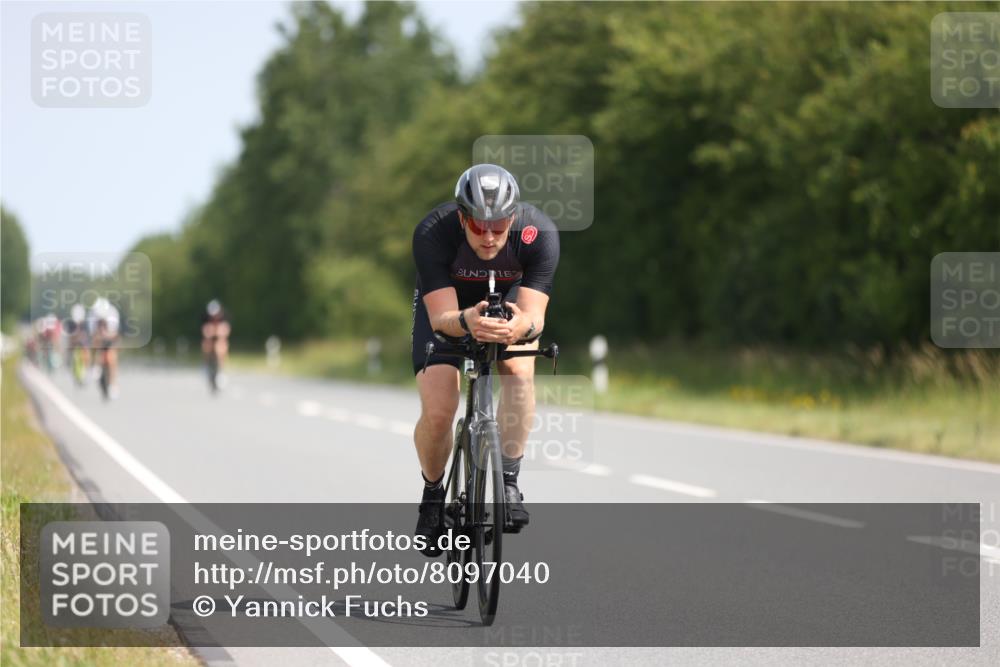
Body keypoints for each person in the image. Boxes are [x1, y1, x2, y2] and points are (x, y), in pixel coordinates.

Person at [411, 163, 559, 556]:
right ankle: (432, 495)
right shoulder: (433, 232)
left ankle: (508, 479)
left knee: (520, 373)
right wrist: (466, 321)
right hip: (450, 306)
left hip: (507, 303)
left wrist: (518, 329)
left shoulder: (538, 234)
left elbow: (534, 316)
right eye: (478, 227)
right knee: (440, 409)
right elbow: (441, 318)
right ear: (462, 218)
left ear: (513, 217)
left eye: (499, 226)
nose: (490, 237)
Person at [87, 297, 121, 398]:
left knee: (111, 358)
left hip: (110, 337)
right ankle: (95, 365)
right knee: (95, 344)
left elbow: (115, 335)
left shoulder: (113, 315)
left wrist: (106, 335)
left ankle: (113, 385)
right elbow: (92, 336)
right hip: (98, 339)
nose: (101, 321)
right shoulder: (92, 316)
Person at [201, 299, 231, 389]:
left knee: (221, 346)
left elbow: (225, 331)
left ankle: (221, 370)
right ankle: (206, 365)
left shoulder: (224, 316)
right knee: (206, 345)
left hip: (219, 339)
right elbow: (205, 332)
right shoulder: (205, 317)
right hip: (209, 340)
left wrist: (215, 331)